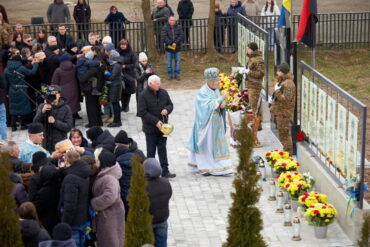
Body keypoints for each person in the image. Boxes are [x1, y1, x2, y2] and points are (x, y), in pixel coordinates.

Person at [188, 68, 234, 176]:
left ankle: (221, 167)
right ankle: (206, 167)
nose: (216, 83)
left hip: (216, 124)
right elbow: (207, 107)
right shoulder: (202, 92)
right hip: (206, 126)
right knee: (207, 147)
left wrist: (222, 105)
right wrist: (221, 98)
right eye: (214, 81)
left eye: (217, 81)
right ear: (208, 81)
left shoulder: (215, 90)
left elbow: (218, 103)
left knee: (216, 147)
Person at [137, 75, 175, 178]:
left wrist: (167, 109)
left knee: (162, 149)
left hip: (163, 128)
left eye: (159, 83)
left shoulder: (163, 92)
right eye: (157, 83)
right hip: (150, 129)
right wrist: (156, 122)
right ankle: (150, 172)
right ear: (150, 84)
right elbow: (142, 112)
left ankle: (165, 170)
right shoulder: (143, 95)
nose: (159, 85)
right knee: (151, 151)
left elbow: (170, 104)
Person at [91, 150, 125, 247]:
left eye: (97, 160)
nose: (95, 162)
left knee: (110, 240)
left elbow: (110, 196)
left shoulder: (109, 178)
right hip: (109, 214)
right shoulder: (107, 174)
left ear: (103, 162)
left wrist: (94, 203)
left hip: (109, 216)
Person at [59, 150, 89, 247]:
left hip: (73, 222)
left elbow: (70, 205)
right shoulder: (84, 172)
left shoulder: (71, 178)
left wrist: (65, 223)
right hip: (82, 219)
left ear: (67, 161)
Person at [4, 54, 39, 131]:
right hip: (22, 89)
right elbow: (31, 73)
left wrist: (6, 92)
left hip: (12, 89)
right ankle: (23, 125)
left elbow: (6, 83)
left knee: (13, 107)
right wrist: (36, 64)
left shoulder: (6, 69)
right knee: (23, 106)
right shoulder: (21, 68)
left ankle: (13, 126)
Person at [33, 85, 73, 152]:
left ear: (59, 94)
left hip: (60, 144)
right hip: (46, 143)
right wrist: (42, 112)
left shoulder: (66, 108)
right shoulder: (42, 106)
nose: (53, 96)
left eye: (55, 93)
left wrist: (55, 122)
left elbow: (68, 127)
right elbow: (35, 124)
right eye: (50, 94)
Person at [27, 152, 60, 234]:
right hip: (57, 215)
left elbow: (32, 200)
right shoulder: (55, 173)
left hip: (42, 217)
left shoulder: (35, 179)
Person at [144, 158, 172, 247]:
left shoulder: (143, 186)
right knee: (162, 243)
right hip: (162, 220)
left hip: (149, 222)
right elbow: (169, 195)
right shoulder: (165, 182)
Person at [269, 62, 295, 154]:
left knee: (284, 134)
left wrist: (277, 91)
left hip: (284, 113)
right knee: (282, 134)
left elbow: (286, 99)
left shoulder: (289, 84)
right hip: (280, 112)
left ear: (283, 72)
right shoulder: (283, 80)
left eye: (279, 71)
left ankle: (288, 152)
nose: (277, 72)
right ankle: (285, 150)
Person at [52, 54, 81, 125]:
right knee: (73, 106)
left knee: (65, 106)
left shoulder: (58, 70)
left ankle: (67, 123)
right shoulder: (74, 67)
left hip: (63, 91)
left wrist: (56, 92)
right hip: (74, 89)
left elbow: (54, 83)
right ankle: (73, 123)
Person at [104, 43, 123, 127]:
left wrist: (106, 75)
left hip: (115, 86)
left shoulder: (116, 65)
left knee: (115, 104)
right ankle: (117, 121)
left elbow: (113, 76)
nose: (109, 56)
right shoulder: (114, 64)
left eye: (110, 55)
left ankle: (117, 121)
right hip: (115, 85)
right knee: (115, 104)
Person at [116, 39, 137, 113]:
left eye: (124, 45)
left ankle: (126, 105)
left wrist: (126, 66)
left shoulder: (131, 53)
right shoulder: (117, 52)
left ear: (127, 45)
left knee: (128, 90)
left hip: (129, 73)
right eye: (122, 44)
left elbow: (134, 64)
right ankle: (123, 105)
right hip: (120, 73)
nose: (123, 46)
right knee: (121, 90)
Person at [161, 16, 183, 81]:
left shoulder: (179, 27)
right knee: (169, 63)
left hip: (177, 48)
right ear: (168, 21)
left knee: (177, 62)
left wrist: (175, 42)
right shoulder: (165, 27)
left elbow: (181, 36)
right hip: (168, 48)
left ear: (175, 21)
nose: (172, 21)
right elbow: (164, 37)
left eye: (173, 20)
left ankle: (177, 74)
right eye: (171, 20)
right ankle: (170, 75)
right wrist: (171, 43)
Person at [245, 42, 264, 113]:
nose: (247, 50)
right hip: (251, 85)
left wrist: (248, 72)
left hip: (255, 86)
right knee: (252, 106)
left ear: (252, 50)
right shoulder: (251, 58)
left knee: (254, 108)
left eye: (249, 49)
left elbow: (260, 73)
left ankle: (255, 123)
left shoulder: (258, 60)